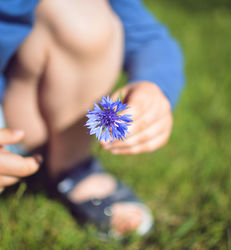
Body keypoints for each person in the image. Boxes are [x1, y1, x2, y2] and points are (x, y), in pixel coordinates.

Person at [0, 0, 185, 237]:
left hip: (16, 117)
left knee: (84, 16)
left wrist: (153, 87)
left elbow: (147, 37)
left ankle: (72, 165)